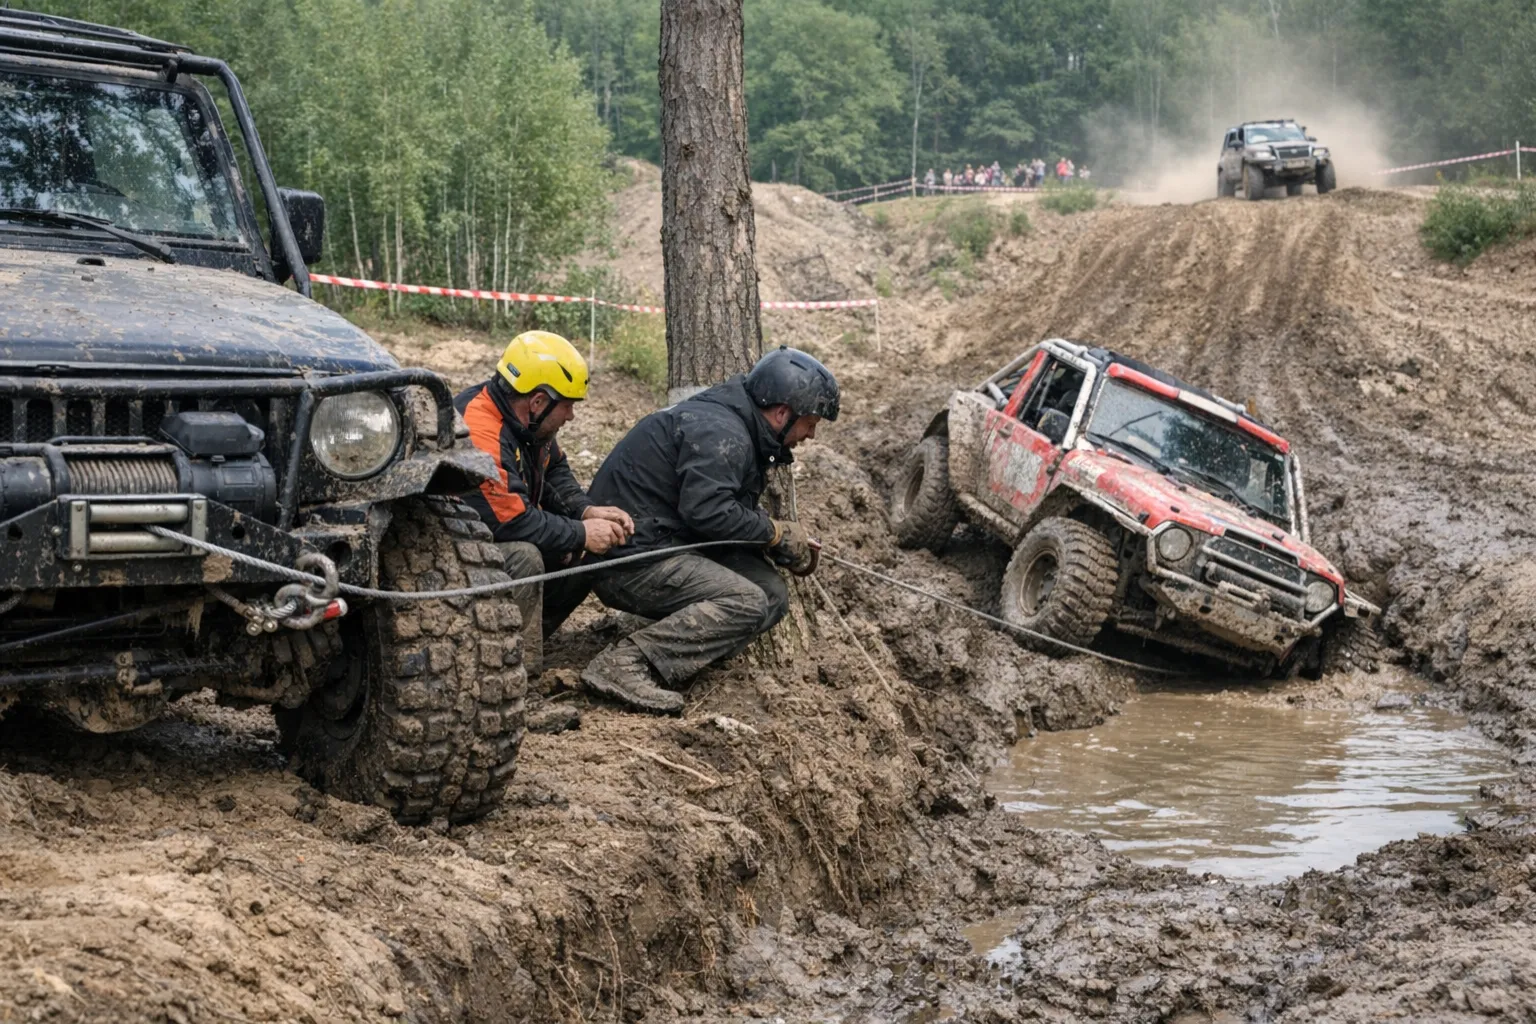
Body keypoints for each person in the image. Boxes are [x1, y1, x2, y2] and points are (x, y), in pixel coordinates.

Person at [580, 347, 840, 714]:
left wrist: (777, 543)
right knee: (747, 602)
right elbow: (709, 512)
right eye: (810, 422)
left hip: (671, 540)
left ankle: (664, 642)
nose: (811, 434)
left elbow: (719, 508)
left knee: (770, 594)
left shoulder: (740, 426)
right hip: (632, 558)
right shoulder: (724, 432)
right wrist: (775, 532)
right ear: (783, 413)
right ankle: (626, 663)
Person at [455, 331, 634, 673]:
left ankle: (523, 639)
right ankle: (517, 680)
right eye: (567, 405)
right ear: (538, 401)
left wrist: (585, 510)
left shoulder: (525, 420)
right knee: (525, 557)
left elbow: (556, 469)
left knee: (580, 550)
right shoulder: (480, 431)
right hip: (454, 556)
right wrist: (581, 532)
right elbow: (514, 522)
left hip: (489, 538)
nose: (570, 416)